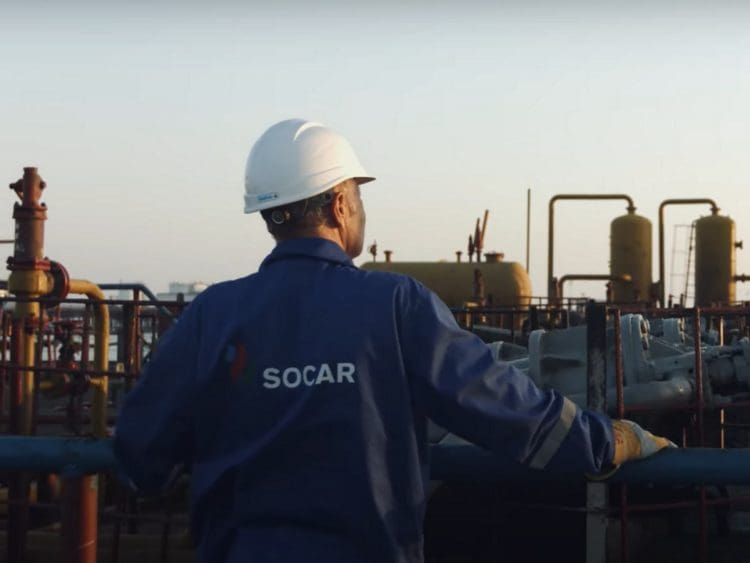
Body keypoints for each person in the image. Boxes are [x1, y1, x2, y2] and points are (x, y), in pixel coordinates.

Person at [114, 118, 673, 563]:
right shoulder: (394, 305)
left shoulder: (213, 314)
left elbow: (140, 454)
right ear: (339, 204)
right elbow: (506, 410)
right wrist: (611, 441)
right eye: (357, 195)